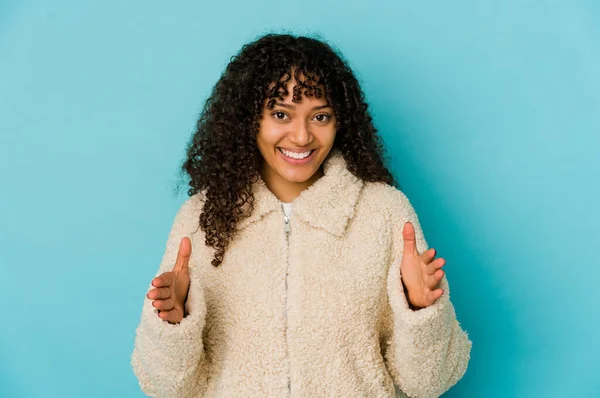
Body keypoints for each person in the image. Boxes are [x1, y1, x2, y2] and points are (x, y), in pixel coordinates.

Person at [130, 33, 472, 398]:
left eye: (320, 116)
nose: (301, 135)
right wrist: (174, 321)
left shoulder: (385, 213)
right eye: (281, 114)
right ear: (250, 119)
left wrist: (421, 311)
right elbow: (163, 386)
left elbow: (430, 382)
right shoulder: (201, 218)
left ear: (340, 122)